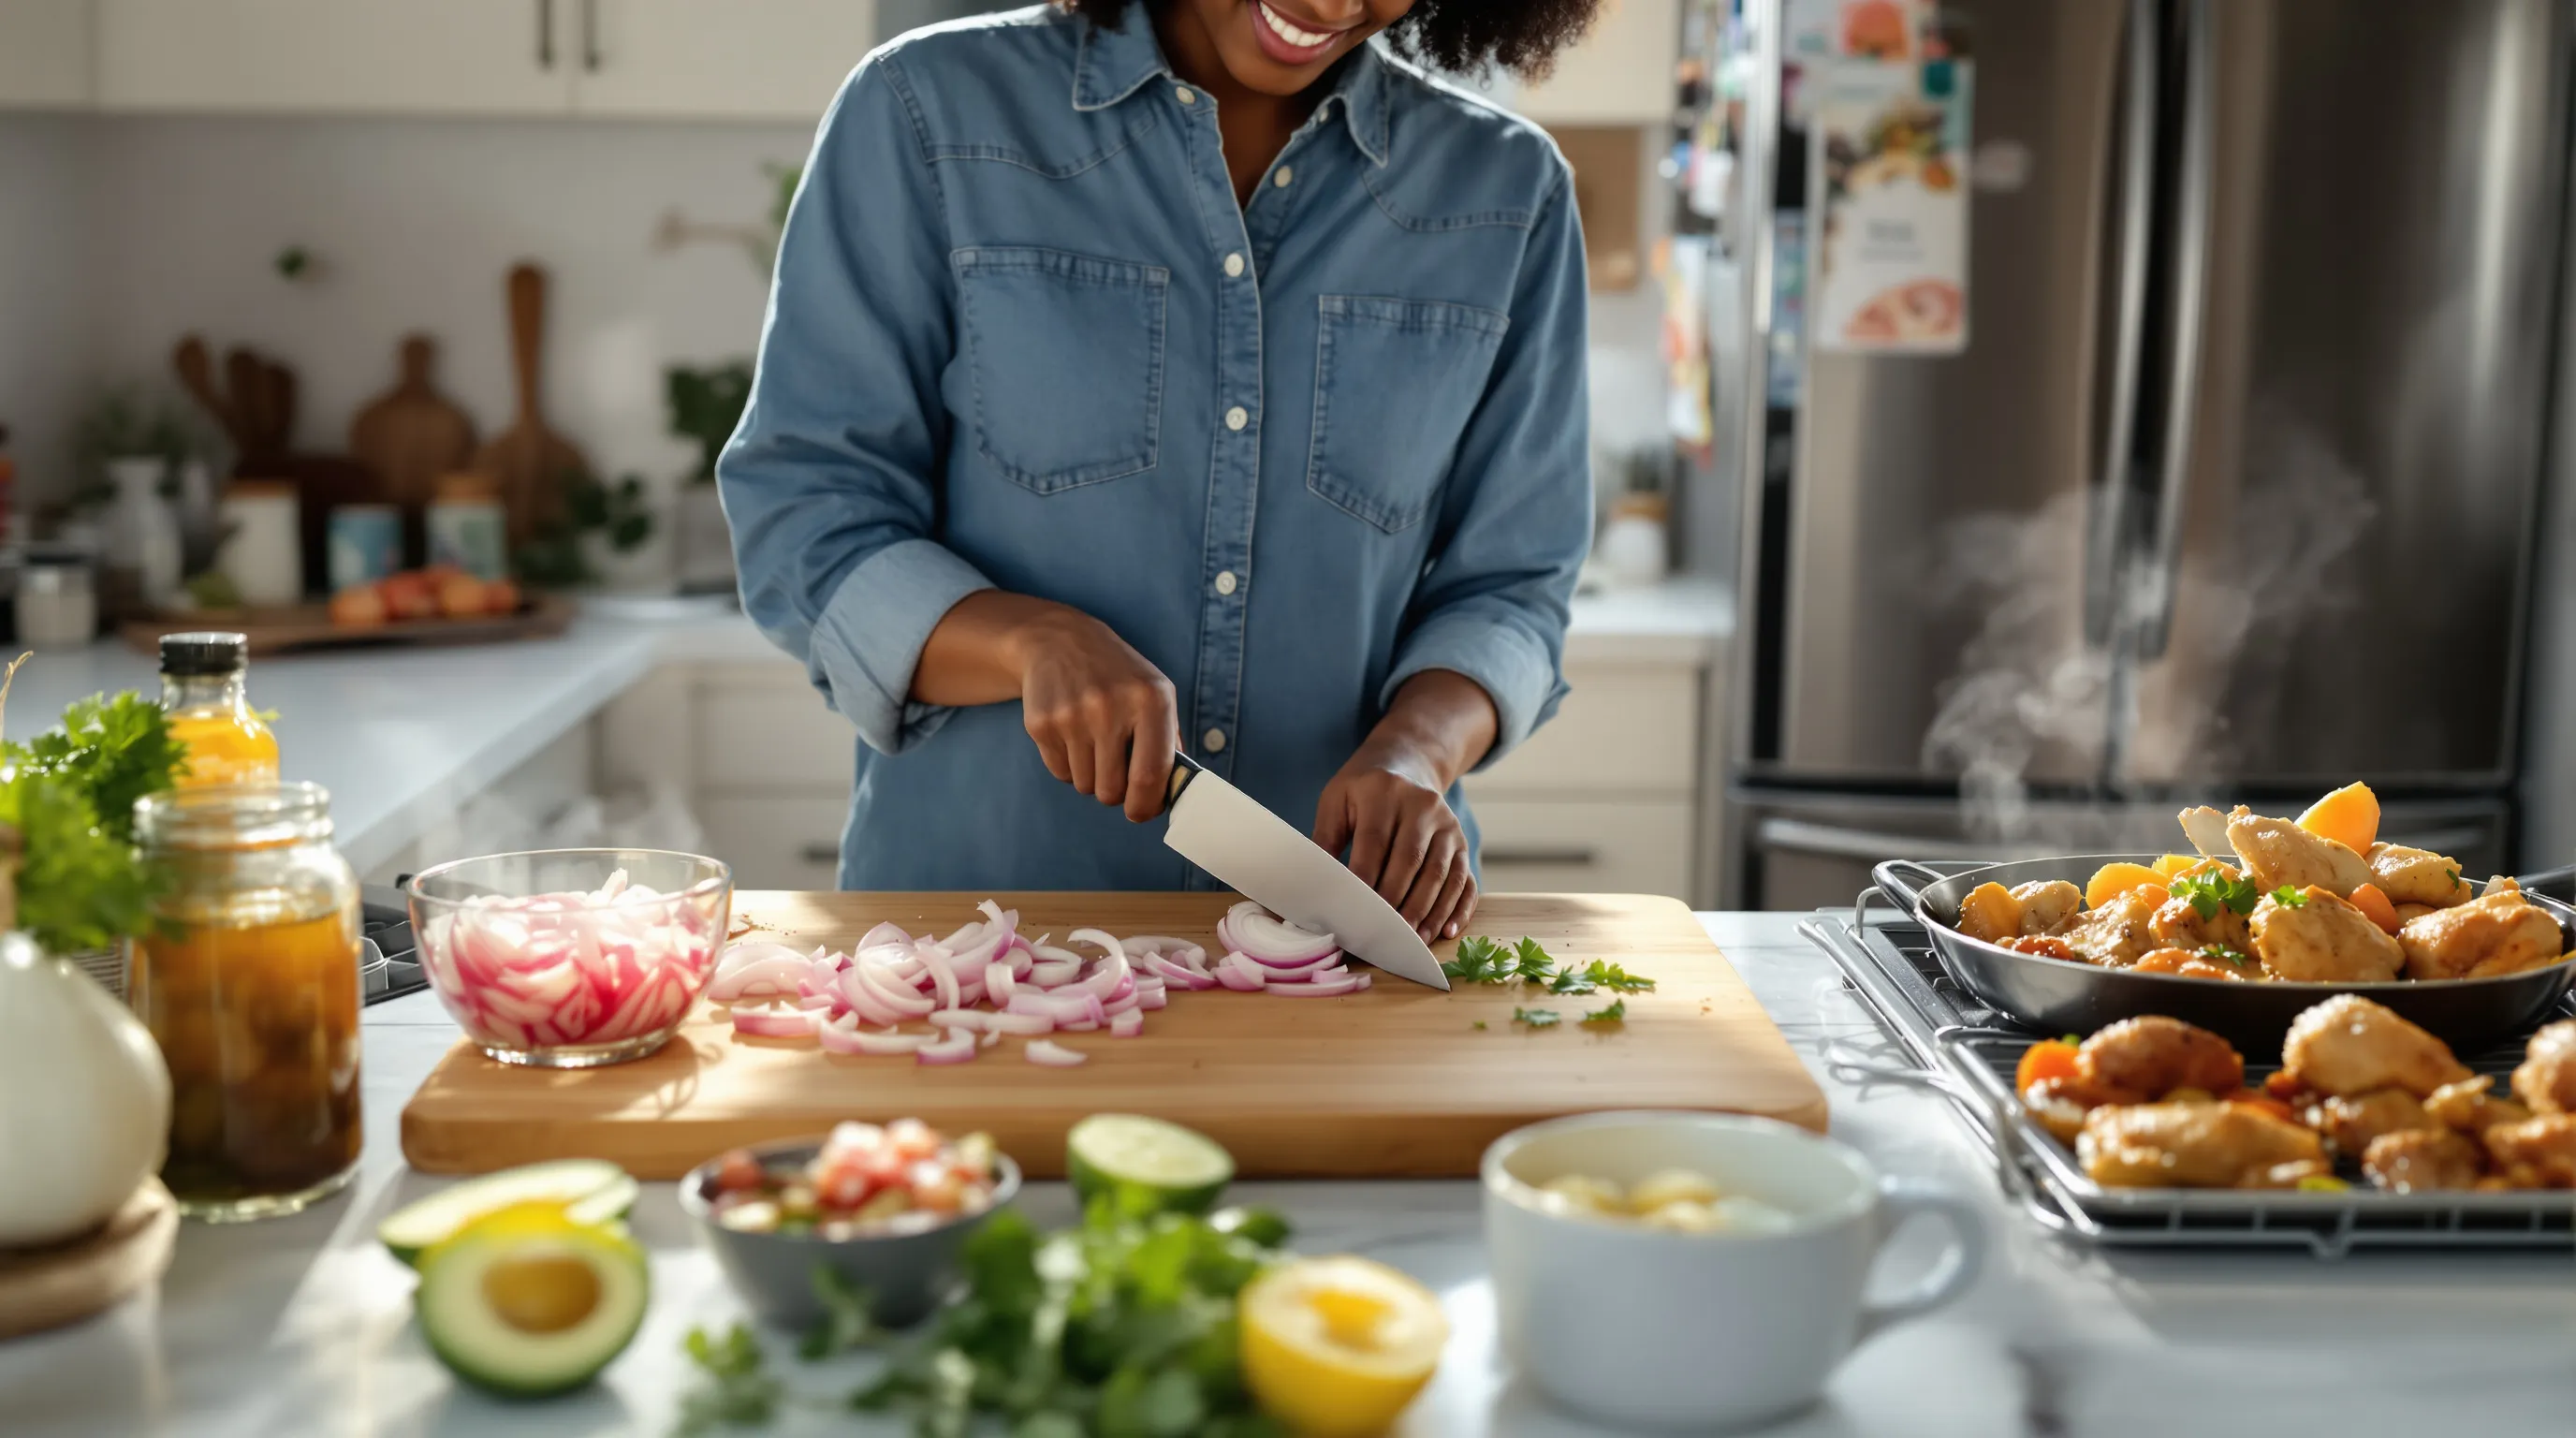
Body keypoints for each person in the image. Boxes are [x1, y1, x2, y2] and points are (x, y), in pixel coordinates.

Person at [722, 0, 1600, 942]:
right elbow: (806, 518)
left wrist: (1418, 751)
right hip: (977, 949)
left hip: (1338, 945)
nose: (1337, 3)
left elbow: (1513, 587)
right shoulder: (926, 113)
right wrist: (1029, 641)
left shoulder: (1509, 193)